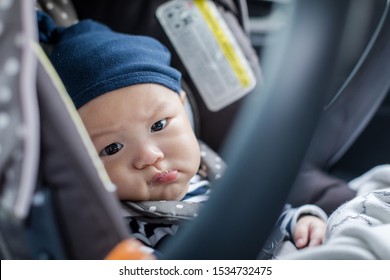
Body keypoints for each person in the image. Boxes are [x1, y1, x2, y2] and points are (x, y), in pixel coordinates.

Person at [37, 12, 327, 259]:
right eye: (112, 147)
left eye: (159, 125)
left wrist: (300, 221)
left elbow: (263, 210)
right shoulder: (123, 224)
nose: (150, 156)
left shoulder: (212, 170)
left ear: (183, 106)